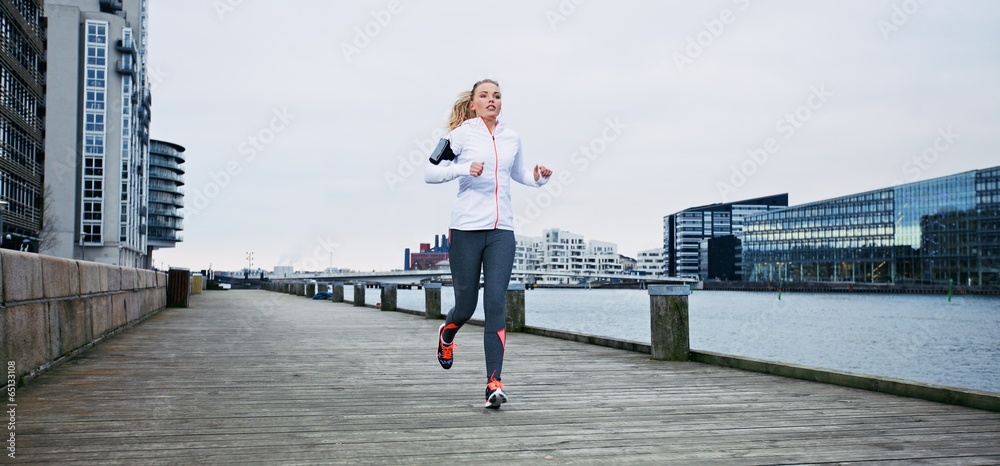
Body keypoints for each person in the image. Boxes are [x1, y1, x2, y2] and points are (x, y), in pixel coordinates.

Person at [425, 79, 553, 409]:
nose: (491, 100)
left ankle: (493, 382)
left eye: (497, 95)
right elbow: (429, 171)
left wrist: (538, 179)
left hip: (502, 231)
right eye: (485, 95)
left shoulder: (512, 137)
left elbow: (519, 174)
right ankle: (447, 334)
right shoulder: (461, 135)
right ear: (473, 104)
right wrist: (464, 168)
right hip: (466, 229)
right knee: (466, 306)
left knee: (496, 302)